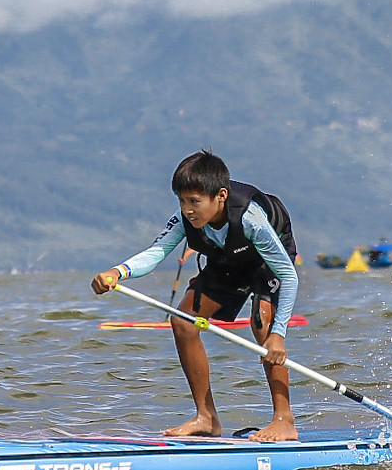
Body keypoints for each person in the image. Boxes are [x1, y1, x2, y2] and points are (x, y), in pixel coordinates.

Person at [91, 149, 300, 442]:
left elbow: (288, 275)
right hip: (228, 260)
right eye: (182, 201)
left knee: (262, 324)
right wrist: (117, 272)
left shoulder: (251, 220)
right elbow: (157, 253)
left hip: (267, 261)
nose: (188, 210)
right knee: (184, 322)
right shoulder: (185, 218)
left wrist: (279, 334)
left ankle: (284, 420)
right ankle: (206, 417)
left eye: (195, 202)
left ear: (221, 196)